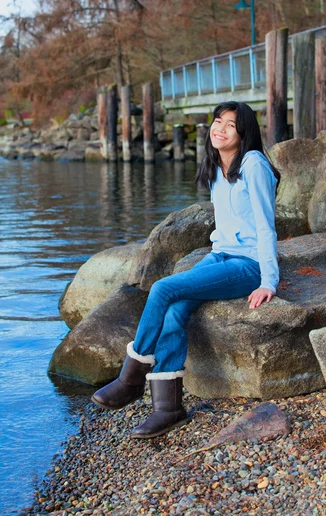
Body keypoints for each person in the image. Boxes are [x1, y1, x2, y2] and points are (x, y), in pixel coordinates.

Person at [91, 101, 281, 439]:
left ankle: (131, 378)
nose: (219, 129)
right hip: (219, 256)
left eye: (230, 125)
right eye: (217, 121)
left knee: (164, 289)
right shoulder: (216, 166)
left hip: (248, 264)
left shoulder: (254, 165)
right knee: (175, 308)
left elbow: (266, 227)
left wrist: (269, 280)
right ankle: (168, 409)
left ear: (244, 133)